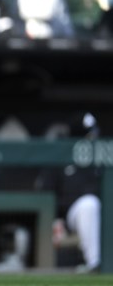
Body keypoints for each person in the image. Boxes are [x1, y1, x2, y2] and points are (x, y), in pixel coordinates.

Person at [35, 112, 101, 273]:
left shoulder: (101, 155)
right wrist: (55, 219)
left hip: (105, 214)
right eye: (89, 135)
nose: (93, 139)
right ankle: (95, 264)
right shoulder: (61, 156)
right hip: (72, 217)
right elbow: (45, 193)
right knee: (89, 205)